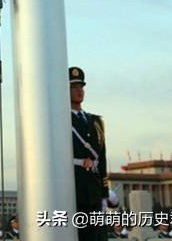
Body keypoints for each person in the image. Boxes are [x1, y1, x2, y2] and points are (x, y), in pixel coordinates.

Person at [69, 67, 110, 241]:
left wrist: (105, 193)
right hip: (73, 187)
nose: (80, 91)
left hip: (93, 189)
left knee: (99, 236)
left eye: (81, 87)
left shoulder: (95, 121)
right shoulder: (60, 119)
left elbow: (102, 158)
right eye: (74, 87)